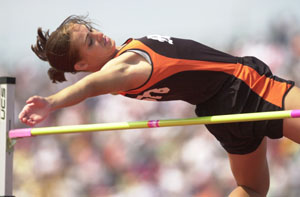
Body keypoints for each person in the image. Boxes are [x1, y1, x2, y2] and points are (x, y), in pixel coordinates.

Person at [19, 15, 300, 196]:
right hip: (245, 87)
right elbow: (89, 86)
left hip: (220, 112)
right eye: (90, 41)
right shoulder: (124, 66)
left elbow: (95, 82)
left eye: (91, 30)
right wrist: (51, 103)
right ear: (81, 64)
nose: (100, 35)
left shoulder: (116, 82)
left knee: (250, 188)